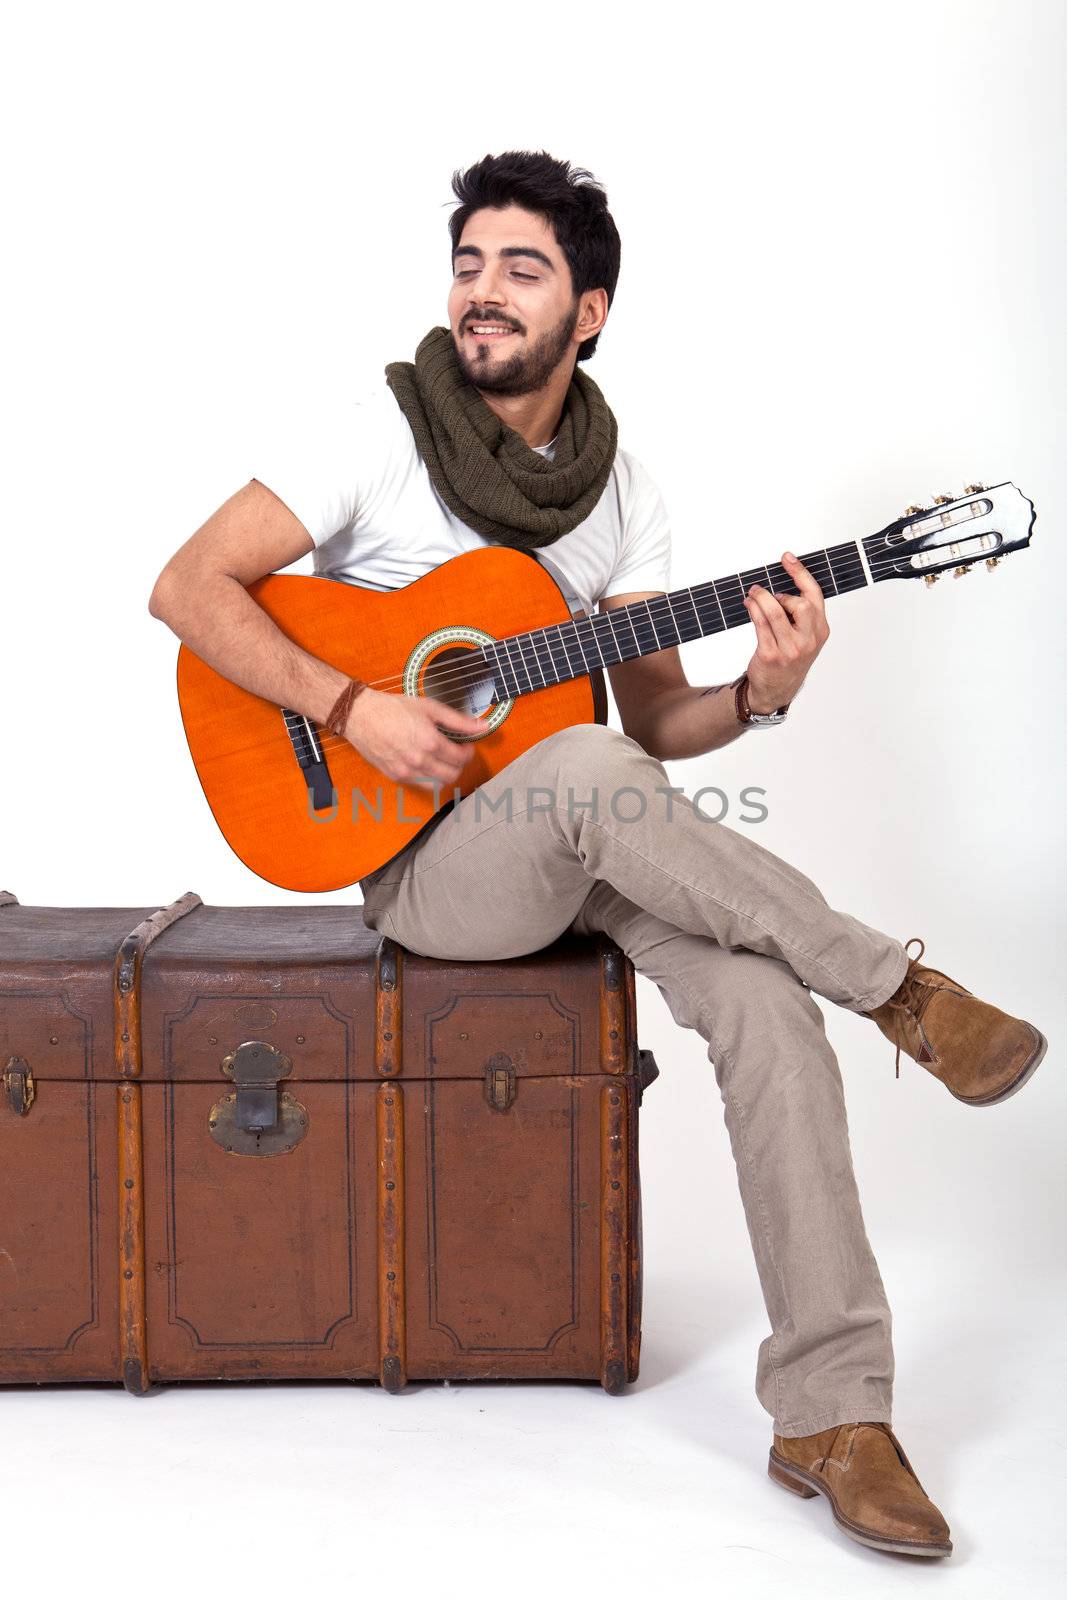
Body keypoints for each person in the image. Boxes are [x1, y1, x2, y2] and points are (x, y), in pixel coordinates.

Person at [148, 150, 1046, 1559]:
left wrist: (760, 690)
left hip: (593, 834)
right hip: (427, 873)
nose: (484, 292)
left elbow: (656, 727)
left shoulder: (622, 489)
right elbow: (186, 586)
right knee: (575, 767)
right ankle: (900, 988)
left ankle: (834, 1411)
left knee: (760, 1002)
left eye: (523, 269)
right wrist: (353, 706)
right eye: (469, 262)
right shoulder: (376, 434)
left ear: (592, 312)